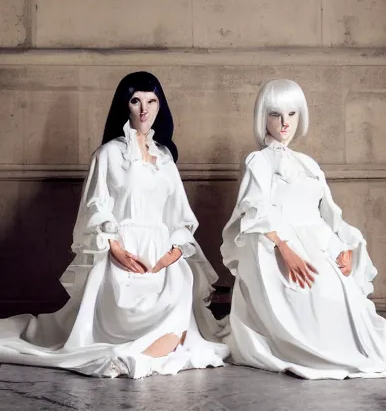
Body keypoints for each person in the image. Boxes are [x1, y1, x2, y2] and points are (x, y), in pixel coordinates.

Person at [221, 79, 386, 380]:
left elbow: (326, 216)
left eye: (292, 114)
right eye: (275, 114)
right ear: (262, 117)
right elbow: (254, 213)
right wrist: (285, 250)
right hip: (277, 251)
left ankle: (381, 345)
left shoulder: (308, 164)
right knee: (320, 296)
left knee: (348, 303)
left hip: (316, 245)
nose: (284, 123)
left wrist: (344, 247)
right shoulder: (258, 161)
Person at [0, 71, 228, 378]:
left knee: (182, 281)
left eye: (151, 101)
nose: (144, 109)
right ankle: (137, 352)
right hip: (123, 254)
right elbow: (97, 205)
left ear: (160, 107)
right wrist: (117, 250)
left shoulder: (165, 159)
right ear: (126, 106)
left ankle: (146, 352)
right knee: (127, 304)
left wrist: (171, 255)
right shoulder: (109, 154)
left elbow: (180, 216)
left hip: (161, 256)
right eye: (136, 101)